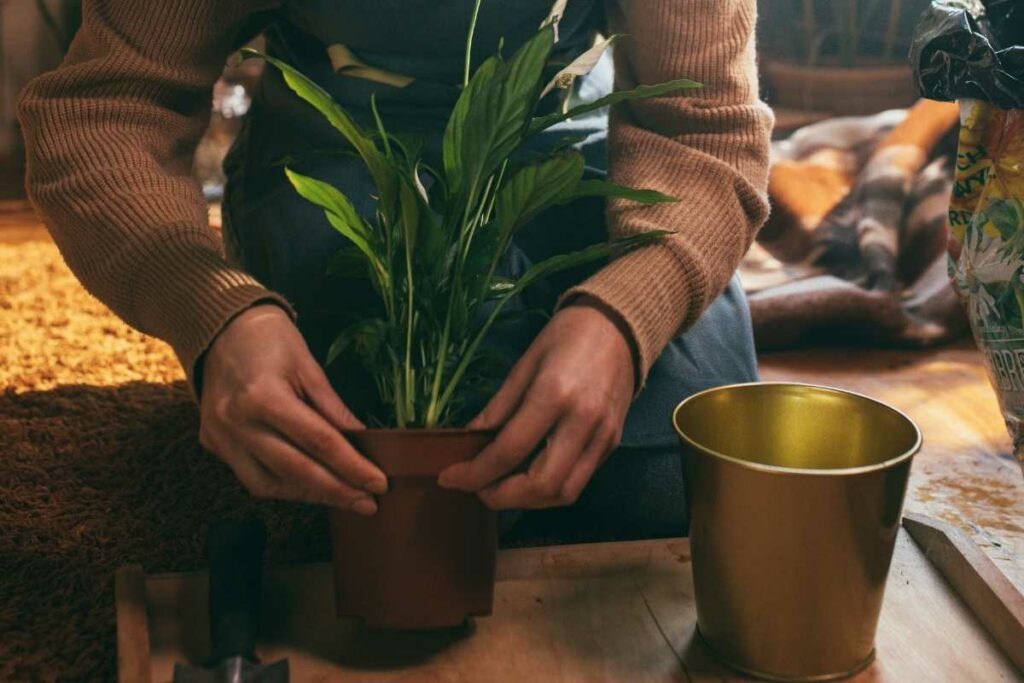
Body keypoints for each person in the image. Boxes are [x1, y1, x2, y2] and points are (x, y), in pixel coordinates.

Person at [18, 0, 771, 543]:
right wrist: (216, 312)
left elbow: (702, 123)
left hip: (566, 139)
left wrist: (624, 312)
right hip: (342, 143)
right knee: (399, 472)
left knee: (670, 480)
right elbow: (108, 109)